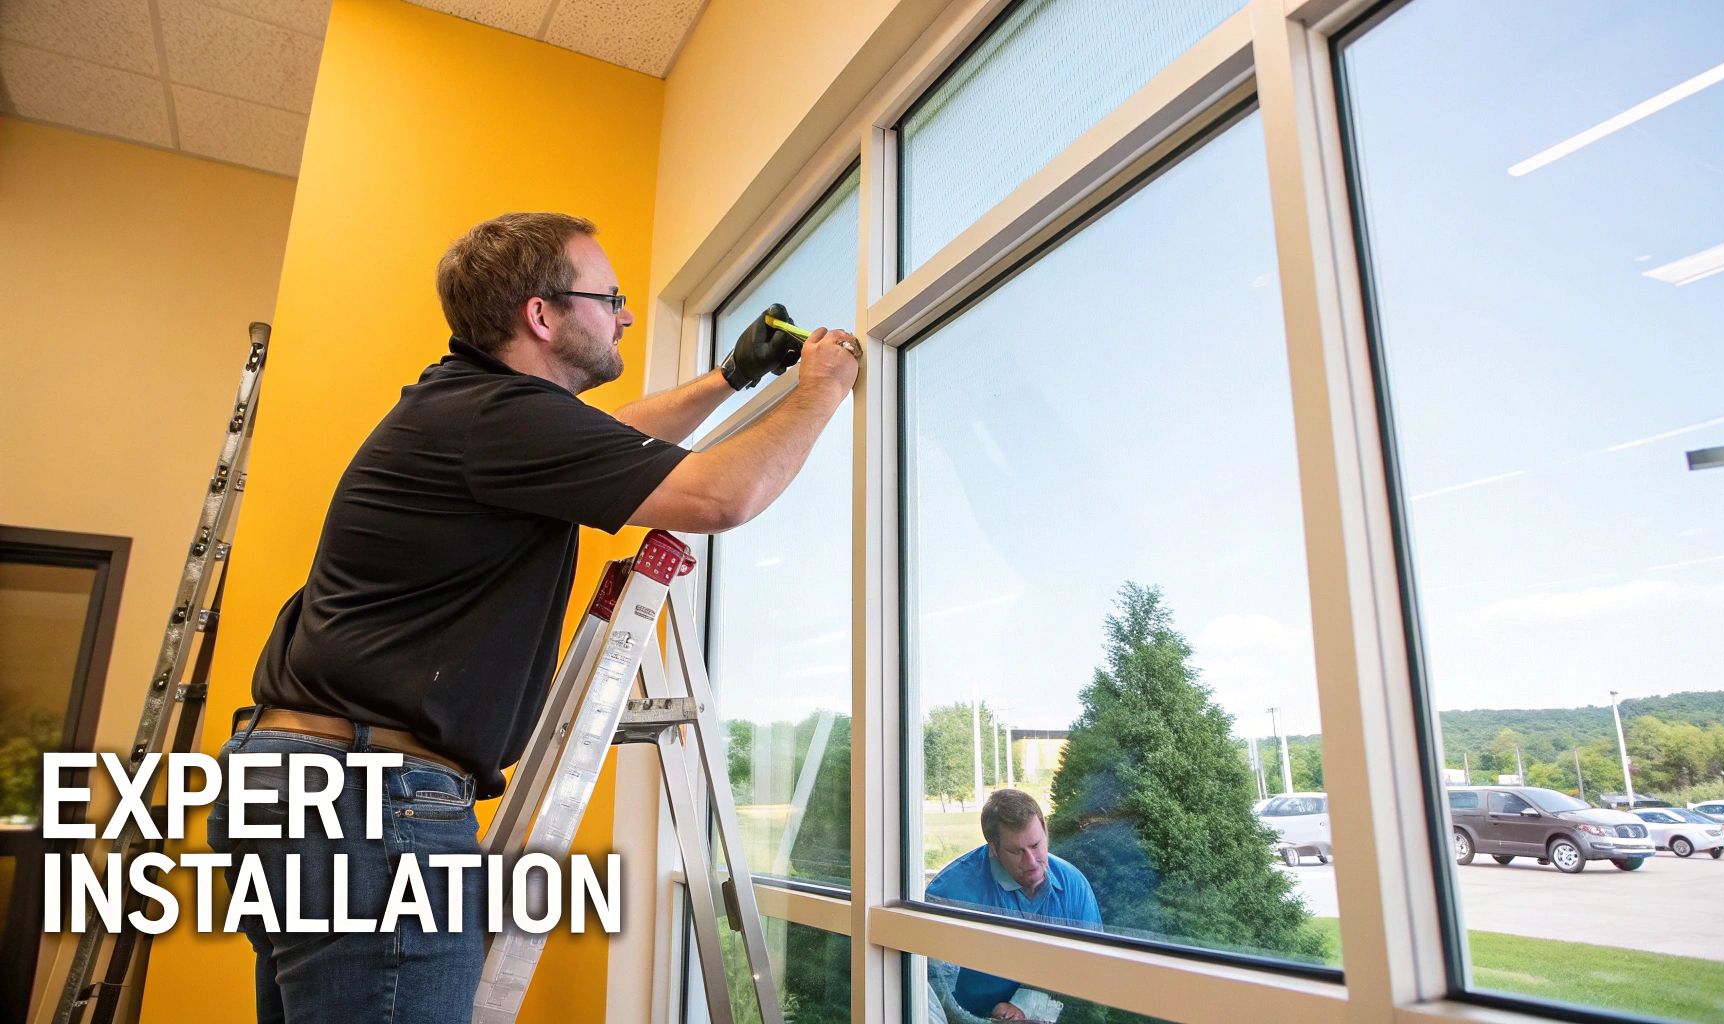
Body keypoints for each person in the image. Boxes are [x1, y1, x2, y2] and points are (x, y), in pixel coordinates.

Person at [205, 211, 859, 1022]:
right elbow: (723, 496)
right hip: (367, 798)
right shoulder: (496, 416)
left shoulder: (478, 411)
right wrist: (822, 389)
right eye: (609, 297)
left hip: (308, 782)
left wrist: (732, 377)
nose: (623, 314)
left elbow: (609, 440)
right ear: (542, 316)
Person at [925, 789, 1102, 1022]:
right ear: (994, 848)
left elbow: (1093, 974)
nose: (1031, 862)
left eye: (1036, 845)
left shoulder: (1074, 885)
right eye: (1016, 851)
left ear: (1045, 830)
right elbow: (936, 998)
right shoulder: (949, 893)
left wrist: (1026, 1006)